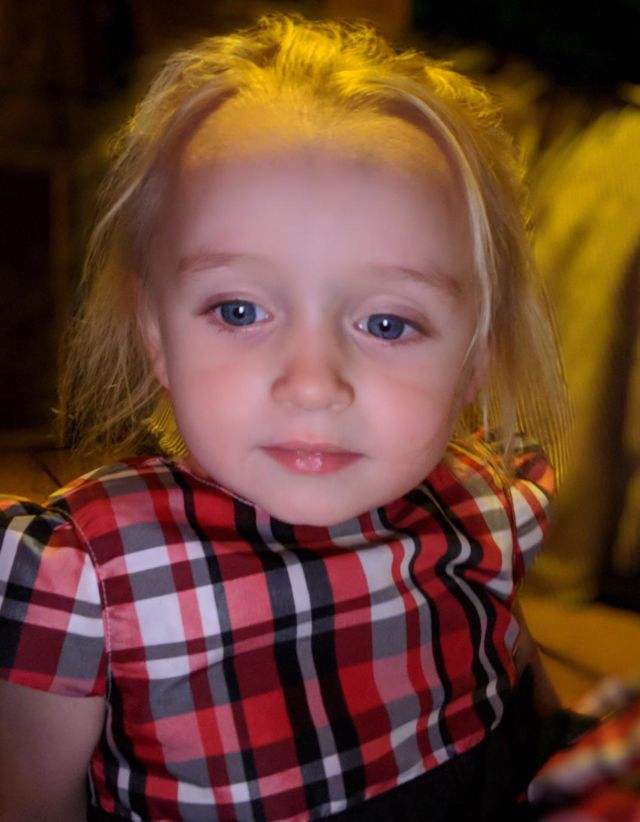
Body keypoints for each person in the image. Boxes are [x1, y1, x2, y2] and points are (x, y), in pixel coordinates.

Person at [0, 15, 567, 821]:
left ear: (476, 354)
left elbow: (536, 730)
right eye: (239, 310)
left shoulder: (479, 504)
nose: (311, 385)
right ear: (157, 334)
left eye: (386, 323)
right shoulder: (86, 580)